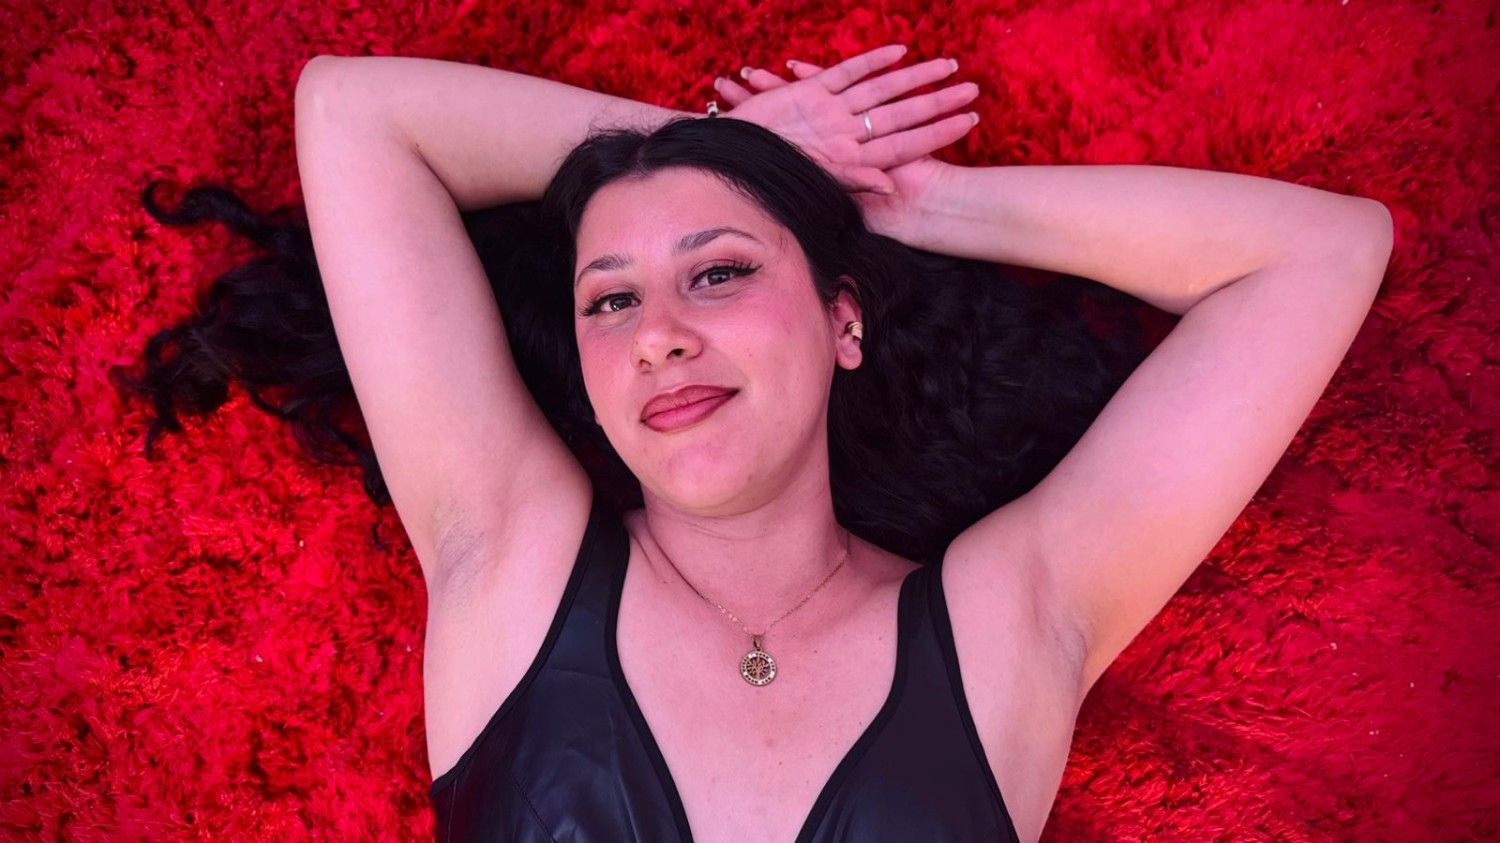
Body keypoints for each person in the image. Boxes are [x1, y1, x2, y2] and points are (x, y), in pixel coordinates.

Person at [116, 44, 1394, 842]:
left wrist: (908, 200)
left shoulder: (1007, 623)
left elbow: (1323, 252)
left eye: (720, 273)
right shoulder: (512, 559)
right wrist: (722, 160)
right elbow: (354, 113)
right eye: (611, 299)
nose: (659, 336)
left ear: (845, 320)